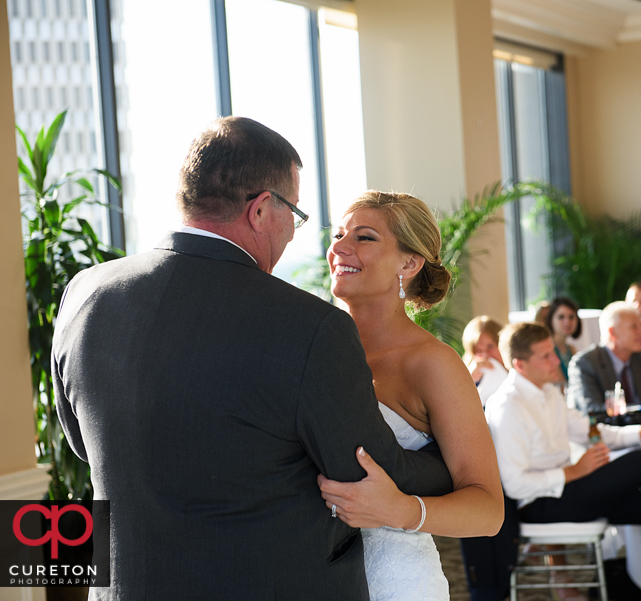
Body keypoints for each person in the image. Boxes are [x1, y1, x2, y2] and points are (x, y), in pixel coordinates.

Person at [51, 117, 455, 600]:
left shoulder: (85, 293)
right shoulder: (309, 326)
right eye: (296, 215)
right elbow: (364, 471)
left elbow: (80, 444)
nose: (295, 235)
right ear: (263, 209)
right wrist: (449, 456)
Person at [317, 191, 504, 601]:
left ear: (409, 262)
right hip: (311, 574)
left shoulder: (432, 363)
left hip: (393, 581)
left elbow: (489, 510)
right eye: (340, 235)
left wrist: (399, 510)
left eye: (364, 238)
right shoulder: (314, 349)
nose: (340, 248)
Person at [484, 322, 641, 593]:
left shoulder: (548, 392)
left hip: (569, 491)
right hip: (539, 505)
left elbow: (594, 433)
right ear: (520, 365)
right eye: (546, 356)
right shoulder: (507, 406)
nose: (556, 361)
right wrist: (575, 471)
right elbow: (515, 485)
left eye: (553, 352)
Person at [567, 301, 641, 415]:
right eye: (634, 327)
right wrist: (640, 409)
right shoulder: (585, 364)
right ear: (612, 333)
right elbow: (591, 409)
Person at [462, 315, 508, 406]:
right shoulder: (466, 377)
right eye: (478, 351)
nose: (486, 355)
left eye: (490, 347)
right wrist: (469, 380)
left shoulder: (519, 371)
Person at [544, 296, 582, 383]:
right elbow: (560, 384)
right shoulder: (549, 350)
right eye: (561, 317)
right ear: (551, 320)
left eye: (571, 317)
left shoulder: (571, 349)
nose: (567, 322)